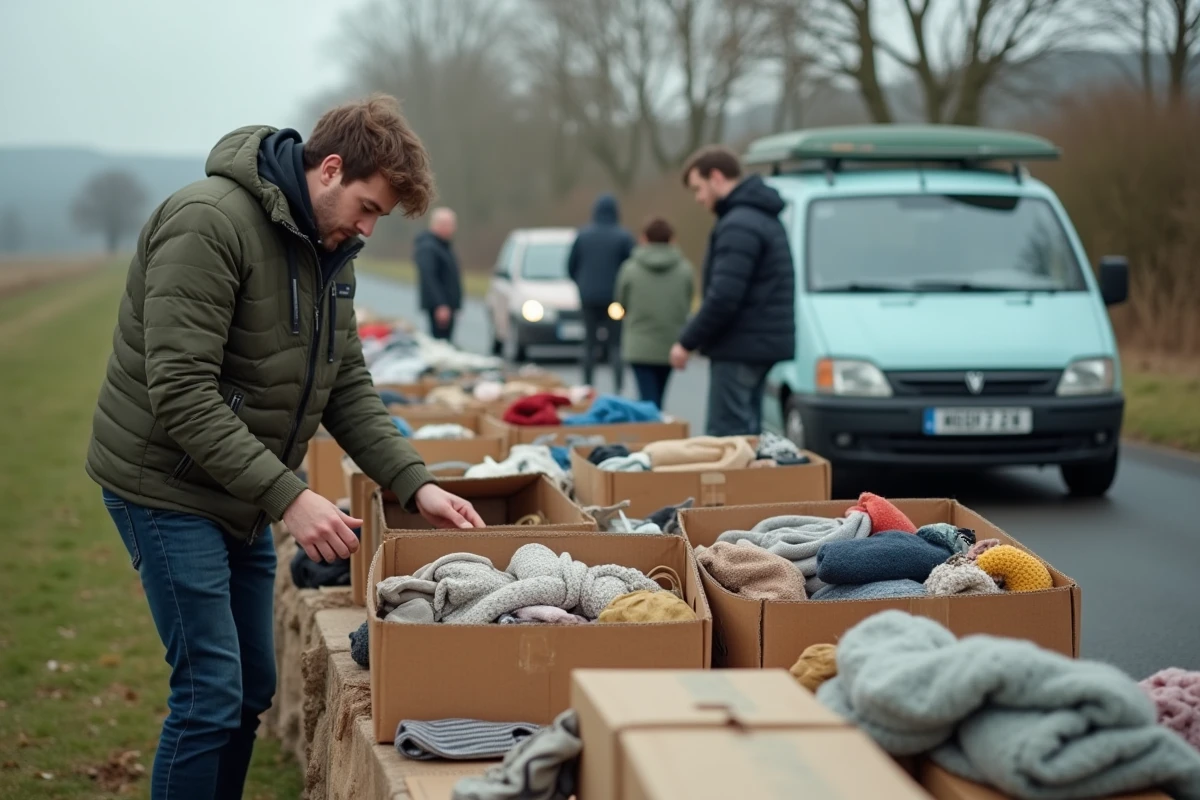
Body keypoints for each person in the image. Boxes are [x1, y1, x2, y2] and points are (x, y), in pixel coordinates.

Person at [85, 94, 485, 800]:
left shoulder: (333, 251)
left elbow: (346, 386)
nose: (366, 228)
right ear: (329, 169)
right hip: (165, 484)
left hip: (239, 489)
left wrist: (415, 483)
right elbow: (180, 391)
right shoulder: (208, 223)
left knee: (252, 689)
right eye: (366, 208)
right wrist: (292, 498)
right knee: (211, 690)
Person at [671, 145, 796, 436]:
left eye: (698, 188)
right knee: (749, 436)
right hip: (759, 345)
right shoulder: (762, 217)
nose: (699, 199)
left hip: (740, 347)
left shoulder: (738, 224)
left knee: (727, 439)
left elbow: (724, 296)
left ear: (716, 177)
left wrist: (686, 342)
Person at [614, 217, 695, 410]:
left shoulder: (630, 269)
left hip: (639, 346)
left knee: (647, 398)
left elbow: (620, 303)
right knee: (659, 396)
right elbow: (688, 301)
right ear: (672, 239)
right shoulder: (685, 270)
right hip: (670, 344)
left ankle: (653, 430)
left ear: (643, 238)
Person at [567, 192, 634, 392]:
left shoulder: (583, 235)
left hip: (588, 298)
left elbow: (571, 266)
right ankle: (618, 389)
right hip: (615, 300)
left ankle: (588, 387)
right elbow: (631, 268)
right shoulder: (623, 236)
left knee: (589, 344)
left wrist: (581, 285)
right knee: (615, 345)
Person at [415, 206, 463, 341]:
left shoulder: (443, 245)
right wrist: (440, 304)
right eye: (449, 224)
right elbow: (429, 277)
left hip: (447, 305)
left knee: (445, 341)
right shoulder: (429, 247)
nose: (453, 228)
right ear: (439, 224)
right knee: (439, 343)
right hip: (440, 307)